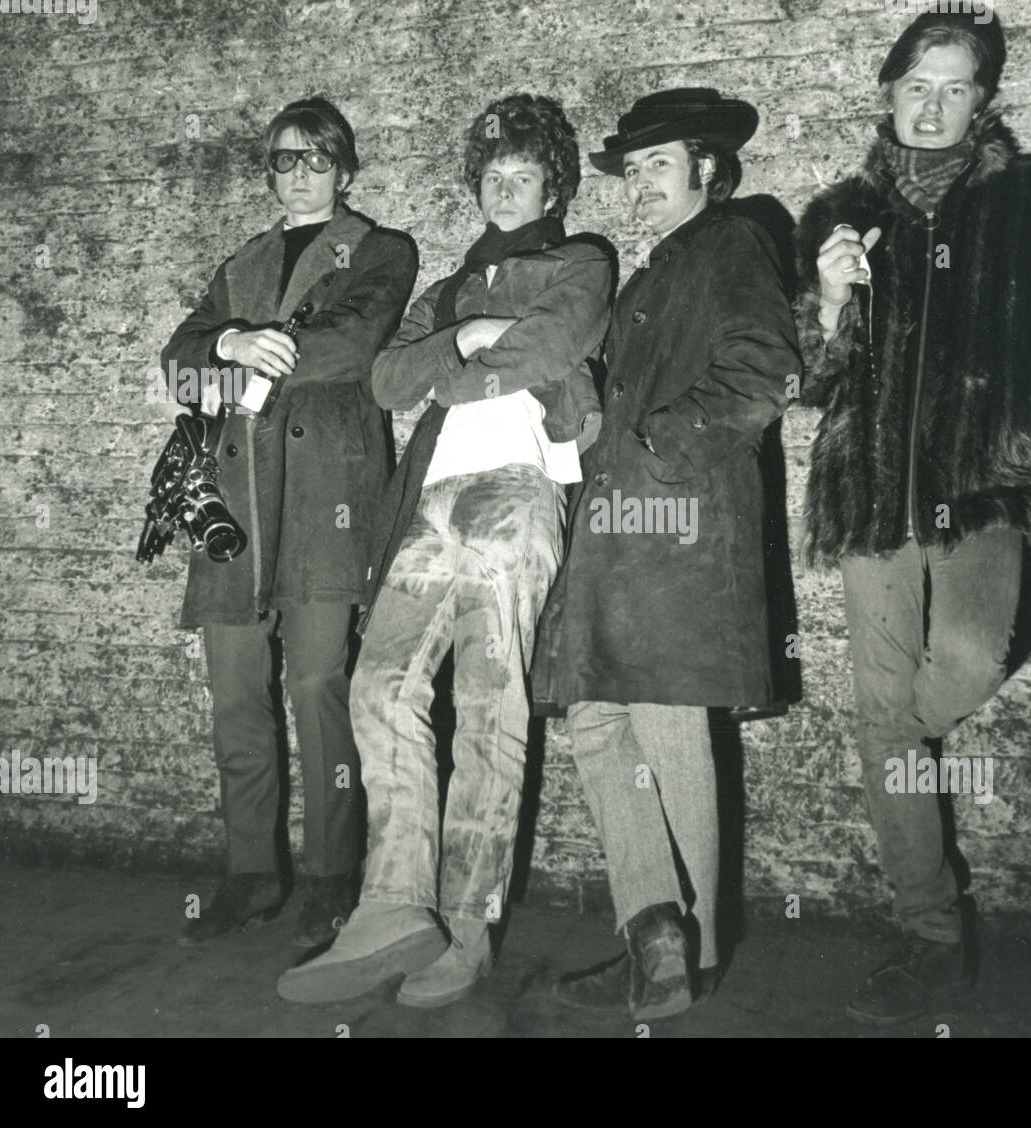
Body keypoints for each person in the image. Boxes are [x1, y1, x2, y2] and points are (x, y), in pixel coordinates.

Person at [795, 10, 1031, 1024]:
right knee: (882, 710)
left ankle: (890, 753)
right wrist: (828, 305)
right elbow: (808, 380)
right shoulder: (840, 213)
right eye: (917, 85)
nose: (932, 105)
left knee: (968, 659)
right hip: (871, 499)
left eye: (955, 88)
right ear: (888, 93)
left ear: (982, 102)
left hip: (984, 495)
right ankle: (930, 934)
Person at [277, 93, 610, 1009]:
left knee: (489, 709)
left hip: (519, 489)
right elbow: (387, 379)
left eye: (523, 177)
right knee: (378, 688)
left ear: (554, 188)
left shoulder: (581, 261)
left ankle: (468, 926)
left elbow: (553, 344)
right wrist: (465, 334)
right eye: (493, 177)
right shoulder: (449, 290)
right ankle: (394, 905)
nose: (505, 191)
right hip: (430, 500)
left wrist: (454, 366)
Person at [536, 88, 799, 1022]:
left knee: (669, 726)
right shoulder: (652, 276)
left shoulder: (731, 244)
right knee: (599, 721)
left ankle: (699, 946)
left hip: (680, 534)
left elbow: (763, 371)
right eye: (634, 169)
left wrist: (656, 448)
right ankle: (654, 930)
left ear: (707, 170)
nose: (640, 183)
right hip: (622, 539)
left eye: (660, 165)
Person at [161, 97, 418, 948]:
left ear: (345, 170)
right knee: (236, 694)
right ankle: (251, 874)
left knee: (317, 685)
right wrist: (228, 345)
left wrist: (257, 355)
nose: (299, 174)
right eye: (283, 159)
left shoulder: (381, 250)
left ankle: (333, 875)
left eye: (316, 159)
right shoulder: (242, 263)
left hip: (323, 502)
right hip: (235, 503)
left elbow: (354, 345)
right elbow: (179, 364)